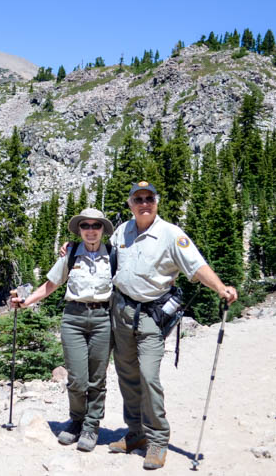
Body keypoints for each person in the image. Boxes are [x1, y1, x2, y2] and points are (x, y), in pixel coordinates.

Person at [65, 182, 238, 470]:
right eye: (138, 199)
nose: (144, 203)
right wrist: (71, 248)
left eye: (149, 198)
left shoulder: (171, 234)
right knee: (127, 375)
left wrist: (220, 288)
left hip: (151, 316)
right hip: (120, 312)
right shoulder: (122, 231)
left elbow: (196, 266)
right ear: (131, 204)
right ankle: (135, 433)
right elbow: (100, 253)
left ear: (156, 202)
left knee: (148, 376)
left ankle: (157, 439)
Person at [11, 207, 115, 452]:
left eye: (96, 225)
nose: (91, 231)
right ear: (79, 229)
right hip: (73, 318)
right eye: (85, 226)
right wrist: (26, 302)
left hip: (103, 318)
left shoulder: (114, 254)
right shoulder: (71, 254)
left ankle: (91, 426)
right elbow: (52, 284)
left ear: (103, 230)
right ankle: (76, 420)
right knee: (77, 379)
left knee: (97, 379)